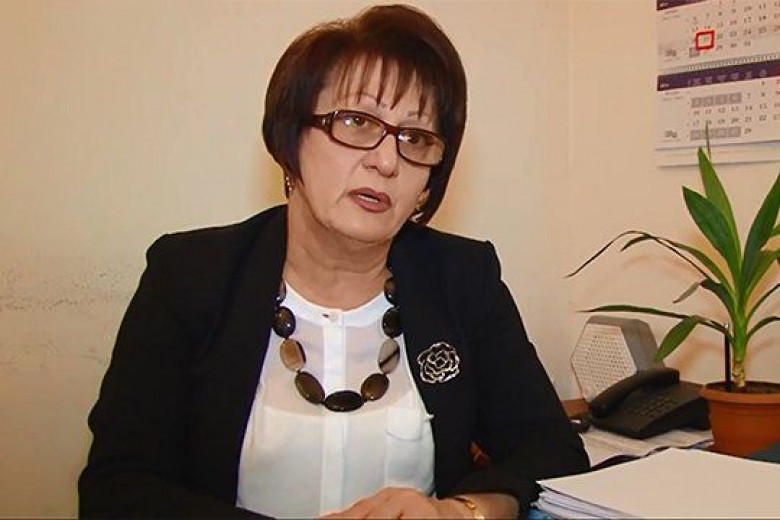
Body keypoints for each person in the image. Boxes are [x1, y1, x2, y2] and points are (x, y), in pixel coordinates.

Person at [78, 4, 589, 518]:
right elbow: (117, 489)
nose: (386, 161)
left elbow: (552, 450)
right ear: (289, 138)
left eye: (415, 139)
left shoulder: (463, 280)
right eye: (357, 122)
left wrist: (461, 512)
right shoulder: (191, 277)